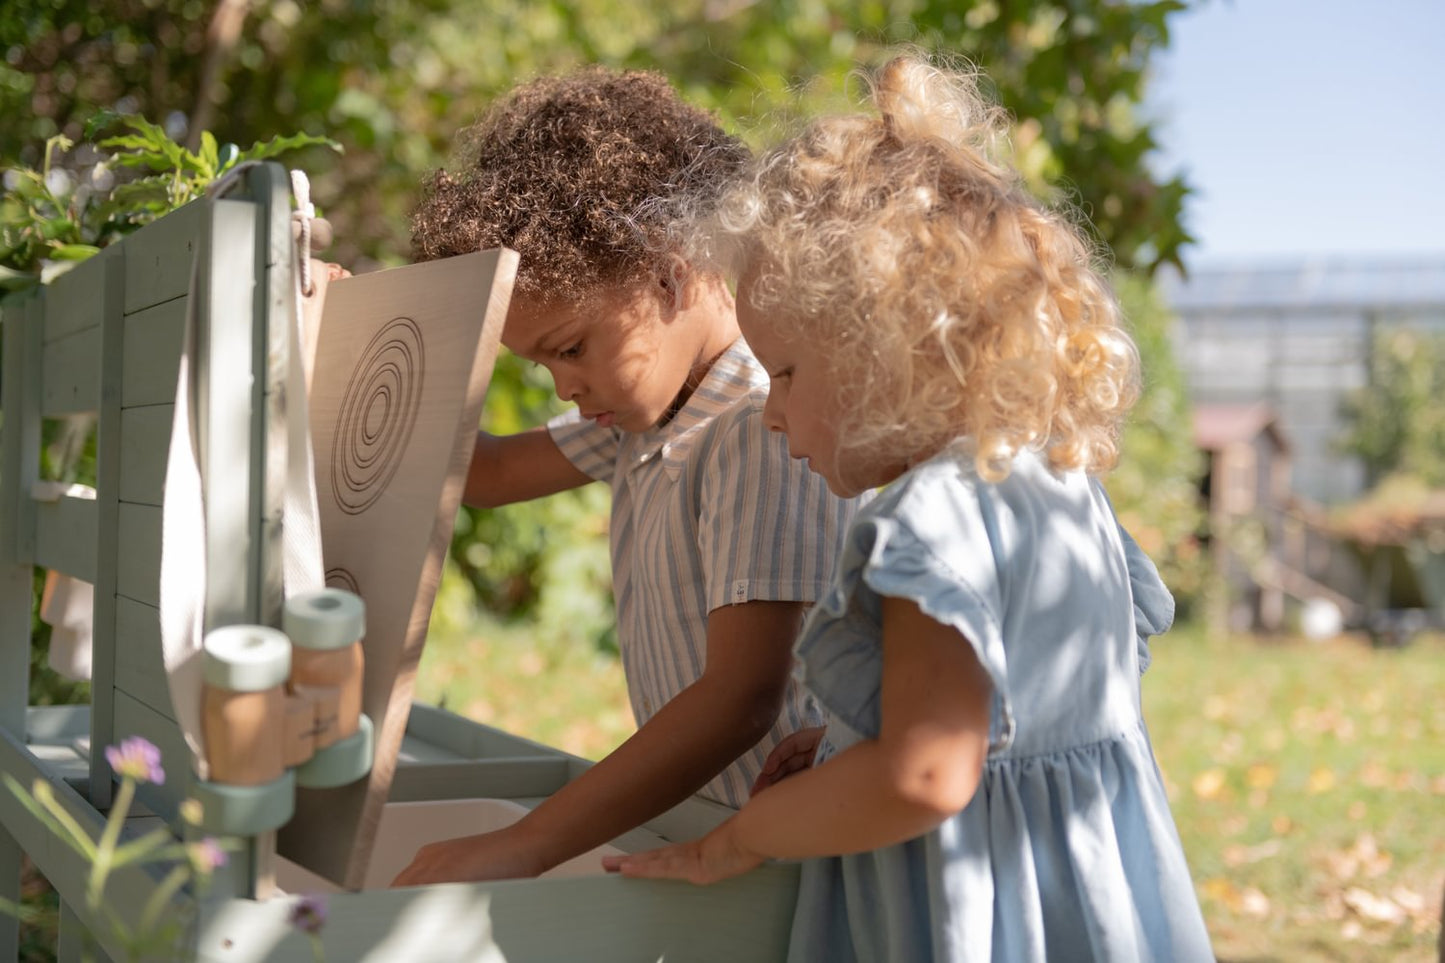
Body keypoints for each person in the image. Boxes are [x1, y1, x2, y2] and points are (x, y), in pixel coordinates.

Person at [603, 56, 1216, 962]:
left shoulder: (930, 523)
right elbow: (1016, 711)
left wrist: (742, 834)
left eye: (788, 373)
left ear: (886, 348)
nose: (769, 411)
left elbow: (928, 774)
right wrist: (849, 733)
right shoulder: (1054, 479)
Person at [391, 67, 862, 885]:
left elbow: (741, 695)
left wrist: (527, 842)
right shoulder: (650, 414)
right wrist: (346, 349)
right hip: (708, 828)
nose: (563, 386)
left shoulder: (753, 427)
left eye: (570, 347)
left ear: (671, 268)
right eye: (541, 362)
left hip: (782, 854)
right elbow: (492, 471)